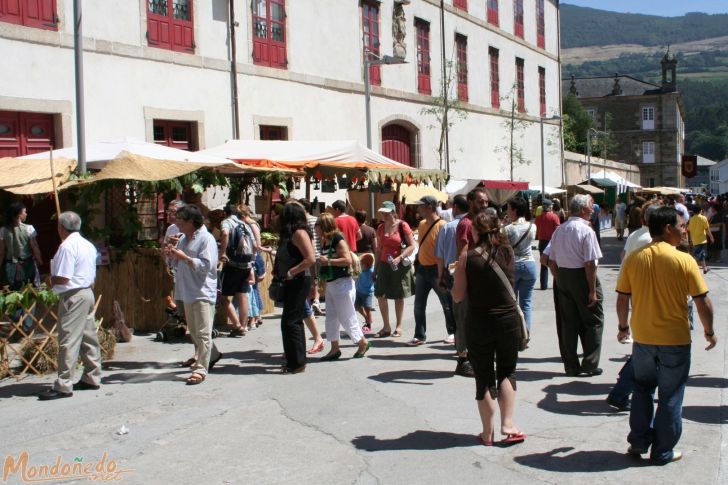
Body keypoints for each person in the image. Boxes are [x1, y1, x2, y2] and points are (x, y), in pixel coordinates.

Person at [616, 206, 716, 464]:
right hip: (675, 339)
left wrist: (623, 327)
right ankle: (662, 451)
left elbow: (622, 297)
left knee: (642, 389)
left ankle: (638, 441)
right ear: (668, 228)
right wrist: (709, 331)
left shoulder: (634, 259)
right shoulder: (684, 260)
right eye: (681, 227)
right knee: (671, 394)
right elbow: (702, 301)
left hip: (644, 337)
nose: (684, 231)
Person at [452, 211, 526, 446]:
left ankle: (487, 433)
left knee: (483, 375)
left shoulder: (468, 257)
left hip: (479, 322)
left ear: (475, 231)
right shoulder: (508, 252)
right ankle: (508, 424)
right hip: (508, 321)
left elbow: (458, 295)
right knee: (507, 371)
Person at [606, 201, 663, 411]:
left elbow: (623, 258)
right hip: (651, 299)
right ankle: (622, 390)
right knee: (651, 350)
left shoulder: (635, 235)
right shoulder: (651, 241)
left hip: (638, 295)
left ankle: (624, 383)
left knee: (647, 348)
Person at [38, 212, 101, 400]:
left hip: (73, 294)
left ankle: (64, 384)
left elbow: (64, 277)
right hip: (87, 292)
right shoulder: (87, 245)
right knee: (88, 336)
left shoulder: (67, 246)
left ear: (61, 228)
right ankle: (92, 375)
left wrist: (49, 279)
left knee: (69, 338)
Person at [165, 205, 223, 385]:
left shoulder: (207, 239)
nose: (177, 223)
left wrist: (184, 257)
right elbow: (172, 263)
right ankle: (212, 355)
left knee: (203, 333)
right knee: (195, 332)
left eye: (180, 220)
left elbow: (206, 266)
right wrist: (170, 253)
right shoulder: (182, 239)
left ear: (190, 221)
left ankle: (201, 369)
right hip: (186, 290)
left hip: (202, 291)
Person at [547, 194, 604, 377]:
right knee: (594, 319)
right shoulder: (586, 231)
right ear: (582, 209)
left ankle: (571, 365)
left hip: (563, 275)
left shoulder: (560, 230)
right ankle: (590, 363)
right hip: (581, 275)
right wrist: (592, 289)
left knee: (568, 323)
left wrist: (559, 279)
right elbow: (590, 263)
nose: (592, 209)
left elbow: (549, 260)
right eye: (590, 206)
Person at [316, 213, 370, 360]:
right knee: (331, 317)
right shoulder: (325, 241)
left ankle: (362, 342)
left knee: (347, 316)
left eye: (318, 225)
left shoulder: (337, 239)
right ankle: (334, 348)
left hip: (342, 284)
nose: (315, 229)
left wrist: (328, 261)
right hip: (332, 283)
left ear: (324, 226)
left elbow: (347, 260)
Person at [274, 201, 316, 373]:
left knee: (291, 321)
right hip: (292, 280)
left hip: (299, 280)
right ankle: (295, 360)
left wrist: (292, 271)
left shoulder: (299, 233)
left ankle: (297, 363)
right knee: (291, 321)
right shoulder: (290, 234)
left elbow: (310, 258)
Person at [436, 194, 474, 377]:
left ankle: (463, 354)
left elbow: (440, 255)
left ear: (455, 208)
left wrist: (440, 276)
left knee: (459, 316)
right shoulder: (470, 224)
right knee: (464, 316)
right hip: (466, 273)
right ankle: (464, 357)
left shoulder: (447, 227)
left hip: (452, 274)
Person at [411, 195, 454, 346]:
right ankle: (419, 335)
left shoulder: (443, 225)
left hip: (437, 270)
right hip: (423, 269)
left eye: (420, 206)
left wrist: (443, 273)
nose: (418, 209)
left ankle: (452, 332)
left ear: (429, 207)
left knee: (447, 304)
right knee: (419, 304)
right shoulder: (422, 224)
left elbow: (445, 250)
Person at [372, 201, 416, 338]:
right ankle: (386, 327)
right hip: (385, 264)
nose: (384, 214)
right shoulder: (380, 228)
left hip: (399, 265)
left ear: (393, 212)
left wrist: (400, 257)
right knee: (380, 295)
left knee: (398, 296)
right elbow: (379, 249)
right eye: (382, 212)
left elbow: (412, 246)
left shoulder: (403, 225)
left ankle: (398, 326)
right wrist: (375, 268)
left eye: (386, 212)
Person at [504, 197, 537, 334]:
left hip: (513, 265)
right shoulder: (532, 226)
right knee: (527, 302)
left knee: (512, 302)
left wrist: (503, 225)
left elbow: (502, 245)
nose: (506, 210)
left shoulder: (508, 229)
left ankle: (513, 333)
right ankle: (526, 333)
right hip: (530, 264)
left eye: (508, 208)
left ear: (514, 210)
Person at [219, 204, 253, 337]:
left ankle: (237, 325)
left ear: (225, 213)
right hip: (246, 263)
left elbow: (225, 233)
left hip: (233, 263)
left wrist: (223, 252)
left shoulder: (227, 222)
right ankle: (244, 326)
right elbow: (254, 244)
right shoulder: (244, 223)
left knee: (222, 296)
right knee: (242, 295)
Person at [298, 199, 325, 352]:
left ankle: (312, 300)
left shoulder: (301, 222)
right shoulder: (315, 220)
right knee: (315, 278)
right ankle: (315, 300)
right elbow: (319, 238)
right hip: (316, 253)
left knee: (311, 279)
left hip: (307, 256)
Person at [0, 201, 43, 290]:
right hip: (27, 264)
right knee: (32, 290)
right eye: (25, 212)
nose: (26, 214)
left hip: (11, 266)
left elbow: (2, 252)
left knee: (15, 292)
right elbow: (35, 248)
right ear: (19, 215)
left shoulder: (3, 230)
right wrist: (40, 261)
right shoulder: (29, 228)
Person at [535, 199, 560, 290]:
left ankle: (543, 285)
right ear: (550, 207)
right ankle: (558, 283)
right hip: (552, 242)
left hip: (541, 242)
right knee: (555, 263)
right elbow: (558, 230)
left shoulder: (538, 218)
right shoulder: (554, 217)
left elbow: (537, 230)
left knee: (543, 264)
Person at [688, 204, 714, 274]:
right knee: (700, 254)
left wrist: (690, 239)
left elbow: (689, 230)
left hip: (694, 239)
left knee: (699, 253)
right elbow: (707, 229)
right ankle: (703, 268)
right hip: (702, 239)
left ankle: (704, 267)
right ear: (700, 210)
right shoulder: (703, 218)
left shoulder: (691, 219)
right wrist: (711, 237)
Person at [355, 253, 376, 333]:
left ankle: (368, 325)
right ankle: (367, 319)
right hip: (359, 291)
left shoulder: (371, 271)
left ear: (367, 265)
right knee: (357, 306)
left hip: (368, 293)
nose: (360, 265)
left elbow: (375, 279)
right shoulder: (361, 270)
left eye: (361, 264)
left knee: (368, 309)